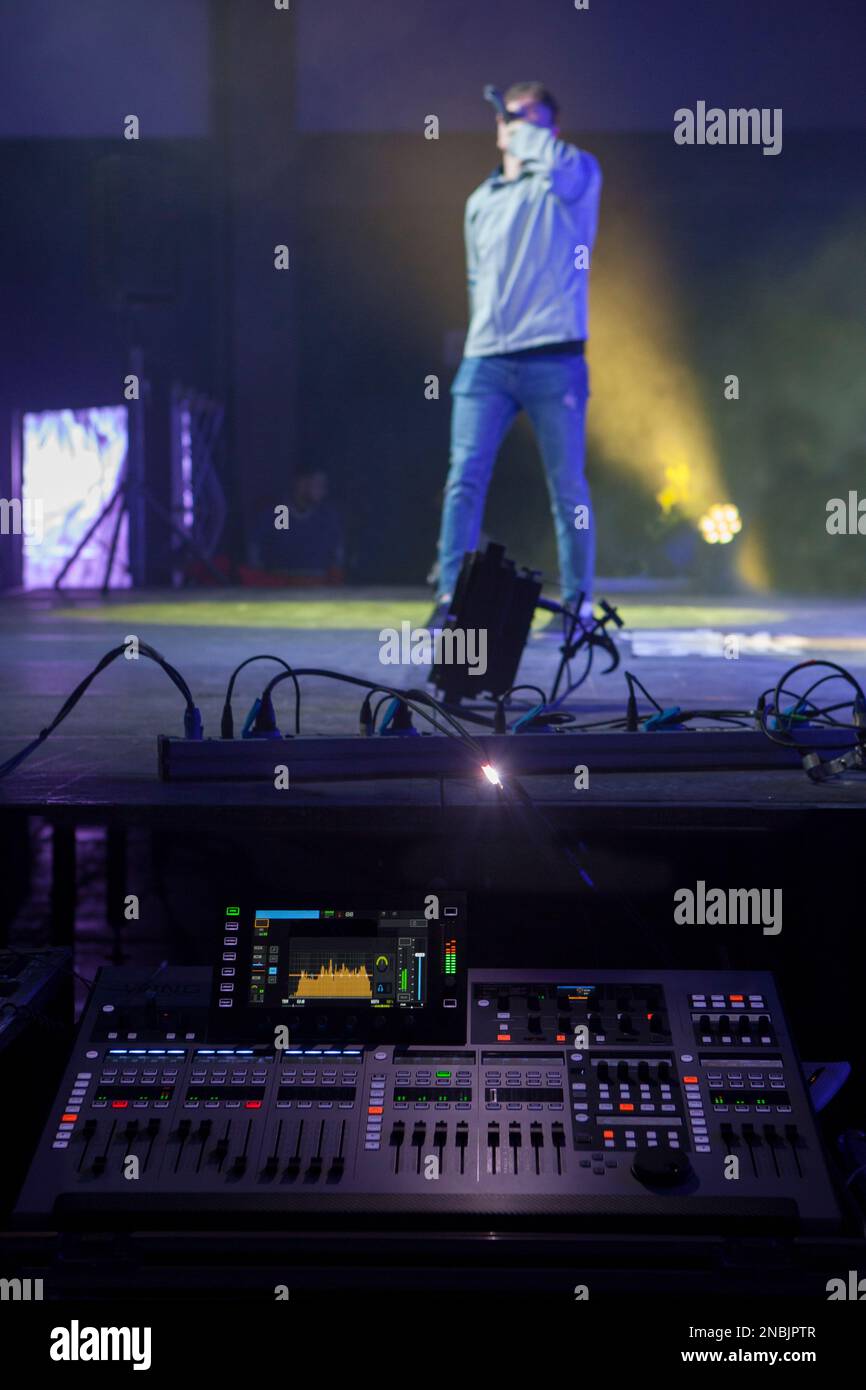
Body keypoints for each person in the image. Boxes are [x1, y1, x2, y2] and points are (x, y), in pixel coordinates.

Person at [431, 81, 601, 626]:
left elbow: (563, 166)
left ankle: (576, 603)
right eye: (511, 116)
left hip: (554, 357)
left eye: (532, 118)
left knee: (567, 484)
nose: (516, 123)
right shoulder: (480, 201)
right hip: (487, 361)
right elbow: (476, 277)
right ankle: (450, 599)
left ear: (549, 130)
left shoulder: (570, 182)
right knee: (463, 477)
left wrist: (527, 129)